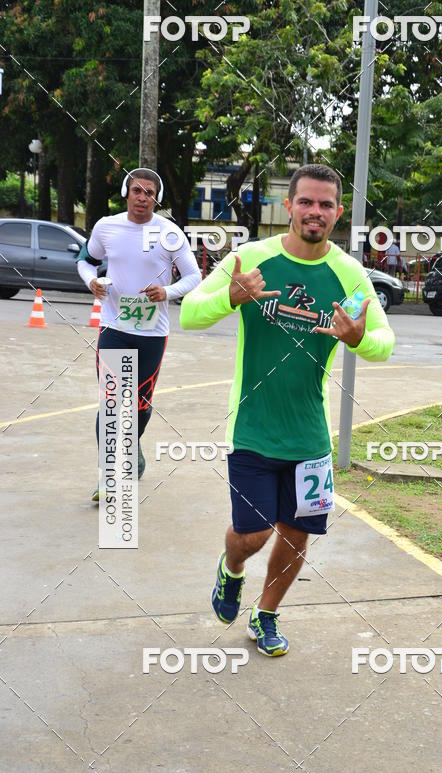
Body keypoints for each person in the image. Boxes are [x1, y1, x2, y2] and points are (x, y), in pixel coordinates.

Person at [180, 163, 395, 657]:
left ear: (337, 213)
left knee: (297, 538)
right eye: (305, 202)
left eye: (325, 204)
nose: (314, 212)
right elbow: (190, 311)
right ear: (289, 206)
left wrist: (360, 338)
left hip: (310, 436)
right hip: (253, 428)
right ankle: (231, 569)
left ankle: (267, 613)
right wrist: (229, 299)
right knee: (252, 535)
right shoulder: (251, 257)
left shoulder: (348, 274)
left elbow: (385, 340)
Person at [77, 168, 201, 501]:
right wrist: (91, 280)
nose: (142, 197)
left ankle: (135, 449)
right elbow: (87, 260)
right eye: (136, 190)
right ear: (126, 192)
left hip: (151, 334)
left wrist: (168, 291)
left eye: (149, 192)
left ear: (156, 199)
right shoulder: (107, 226)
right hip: (114, 326)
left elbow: (194, 276)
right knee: (112, 403)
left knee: (139, 406)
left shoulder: (169, 233)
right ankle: (109, 478)